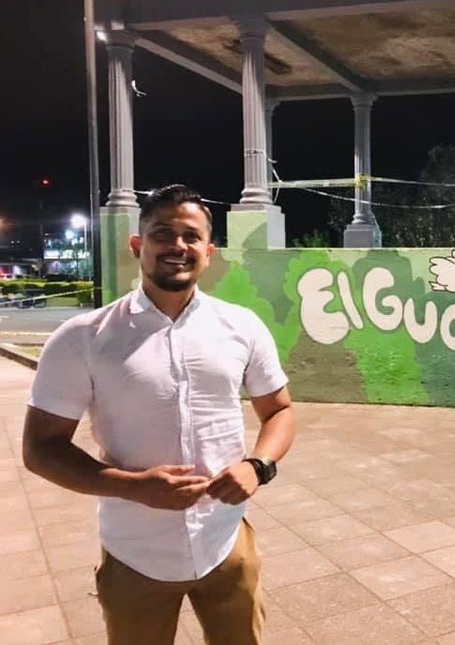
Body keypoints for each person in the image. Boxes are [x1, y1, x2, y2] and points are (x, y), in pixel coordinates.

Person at [22, 184, 296, 645]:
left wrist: (258, 466)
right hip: (135, 553)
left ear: (208, 253)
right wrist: (134, 487)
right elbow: (40, 449)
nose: (177, 246)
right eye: (162, 233)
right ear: (138, 245)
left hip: (226, 542)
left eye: (191, 236)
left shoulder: (241, 326)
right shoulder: (83, 337)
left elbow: (280, 410)